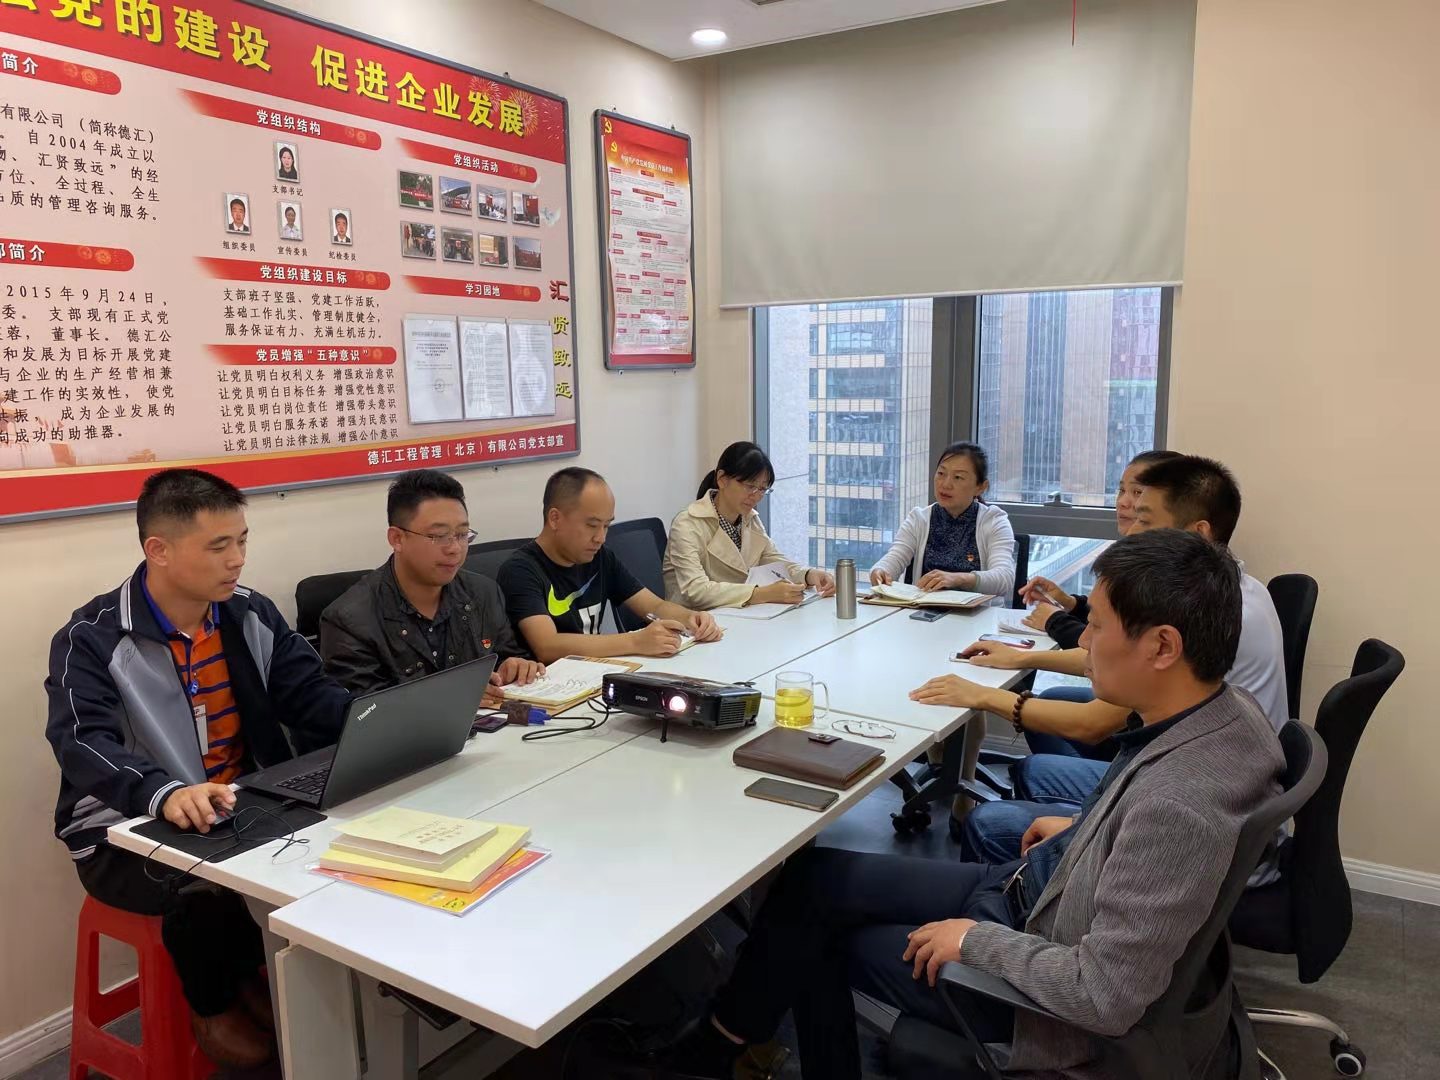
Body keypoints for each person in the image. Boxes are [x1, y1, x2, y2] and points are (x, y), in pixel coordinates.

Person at [654, 529, 1284, 1080]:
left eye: (1096, 625)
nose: (1085, 641)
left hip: (1034, 978)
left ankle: (722, 1045)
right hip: (1039, 890)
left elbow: (1104, 995)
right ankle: (725, 1039)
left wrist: (977, 942)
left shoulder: (1179, 807)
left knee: (814, 939)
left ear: (1163, 647)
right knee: (811, 879)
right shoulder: (1224, 715)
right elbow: (1140, 835)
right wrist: (1084, 828)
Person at [44, 469, 352, 1069]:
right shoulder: (93, 638)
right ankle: (218, 1006)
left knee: (339, 841)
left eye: (242, 540)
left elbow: (310, 696)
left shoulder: (248, 613)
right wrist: (162, 792)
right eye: (219, 546)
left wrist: (377, 720)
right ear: (158, 550)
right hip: (123, 827)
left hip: (241, 802)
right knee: (203, 889)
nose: (237, 559)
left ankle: (279, 991)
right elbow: (81, 742)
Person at [923, 455, 1288, 866]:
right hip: (1202, 784)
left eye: (1145, 521)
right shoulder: (1236, 589)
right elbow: (1107, 660)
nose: (1131, 530)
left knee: (990, 822)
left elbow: (1093, 723)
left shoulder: (1197, 617)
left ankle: (1022, 888)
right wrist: (1019, 658)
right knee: (1038, 756)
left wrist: (983, 697)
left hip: (1193, 811)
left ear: (1197, 533)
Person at [319, 470, 543, 705]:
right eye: (439, 536)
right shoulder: (350, 621)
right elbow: (366, 713)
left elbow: (506, 655)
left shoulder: (483, 593)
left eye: (462, 534)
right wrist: (450, 699)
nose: (455, 548)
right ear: (397, 539)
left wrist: (514, 667)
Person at [497, 467, 724, 664]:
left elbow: (653, 605)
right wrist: (635, 641)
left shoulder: (600, 557)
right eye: (592, 525)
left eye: (606, 526)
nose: (601, 538)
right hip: (549, 686)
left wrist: (691, 618)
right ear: (555, 518)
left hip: (596, 674)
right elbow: (547, 646)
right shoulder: (521, 570)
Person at [663, 441, 836, 610]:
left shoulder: (750, 518)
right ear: (722, 479)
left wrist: (809, 575)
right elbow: (696, 591)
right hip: (691, 621)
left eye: (762, 489)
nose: (756, 496)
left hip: (737, 615)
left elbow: (774, 560)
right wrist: (762, 594)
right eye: (750, 486)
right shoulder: (687, 524)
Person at [868, 441, 1015, 600]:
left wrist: (958, 579)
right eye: (941, 473)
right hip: (924, 611)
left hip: (977, 614)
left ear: (980, 487)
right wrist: (880, 571)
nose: (945, 484)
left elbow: (1005, 577)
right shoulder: (919, 519)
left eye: (958, 477)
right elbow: (894, 558)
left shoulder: (994, 521)